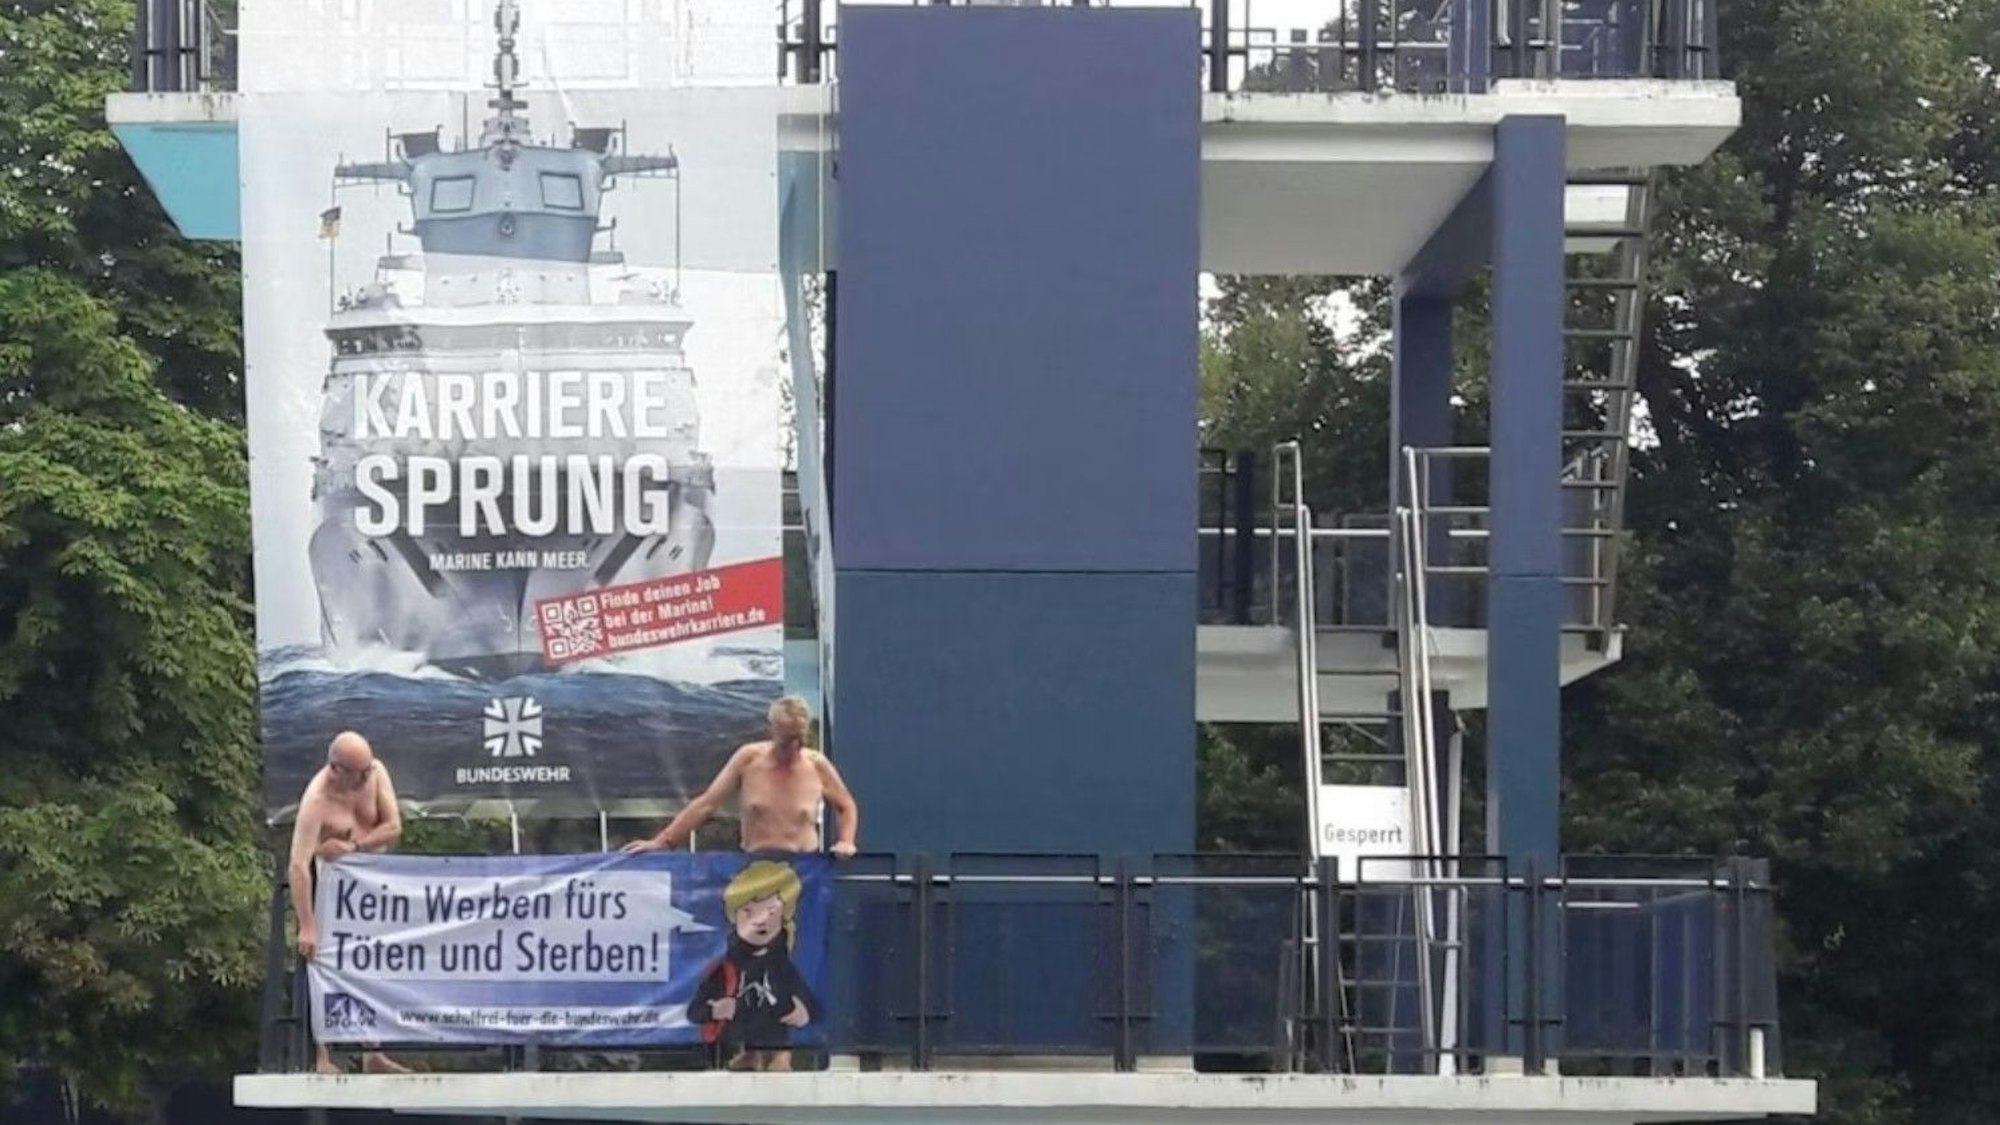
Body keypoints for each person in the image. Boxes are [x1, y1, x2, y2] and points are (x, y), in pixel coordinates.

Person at [287, 731, 410, 1075]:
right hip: (333, 894)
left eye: (368, 770)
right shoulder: (316, 801)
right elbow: (298, 864)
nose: (366, 779)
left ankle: (373, 1051)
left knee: (374, 963)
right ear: (336, 769)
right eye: (359, 774)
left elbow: (393, 825)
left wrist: (353, 847)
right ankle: (321, 1055)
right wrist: (307, 924)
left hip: (370, 886)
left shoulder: (375, 773)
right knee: (322, 962)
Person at [623, 695, 860, 858]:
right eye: (787, 740)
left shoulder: (817, 764)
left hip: (804, 870)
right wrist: (663, 842)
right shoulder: (748, 758)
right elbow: (707, 804)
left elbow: (846, 805)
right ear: (772, 730)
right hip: (754, 866)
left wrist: (846, 840)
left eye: (799, 740)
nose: (793, 747)